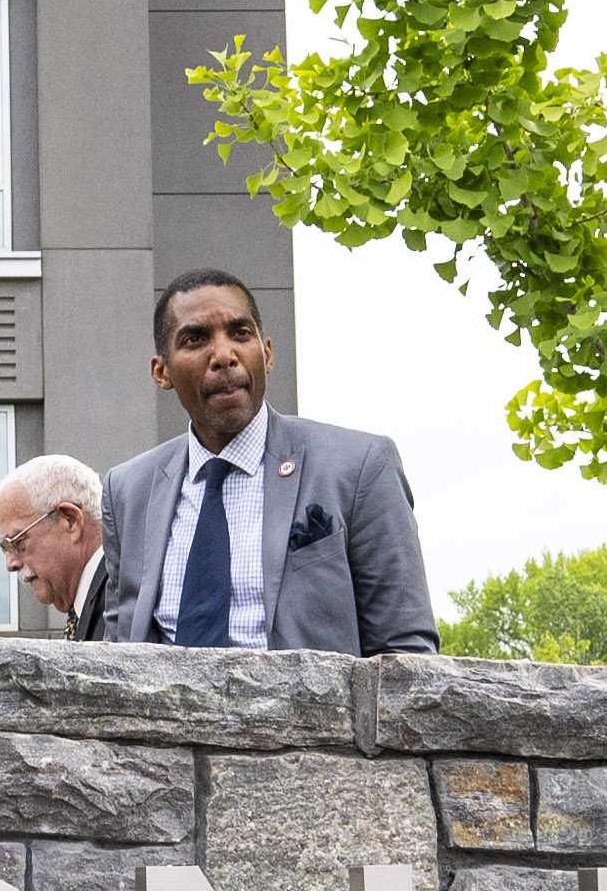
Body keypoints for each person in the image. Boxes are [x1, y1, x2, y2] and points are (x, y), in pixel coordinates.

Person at [92, 269, 440, 654]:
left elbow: (405, 651)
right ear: (162, 372)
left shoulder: (358, 467)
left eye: (241, 334)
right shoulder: (128, 490)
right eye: (195, 340)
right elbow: (120, 653)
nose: (224, 356)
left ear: (267, 354)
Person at [0, 453, 116, 639]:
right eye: (5, 549)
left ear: (70, 520)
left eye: (17, 543)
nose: (11, 564)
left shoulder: (123, 605)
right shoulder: (99, 601)